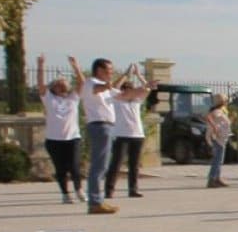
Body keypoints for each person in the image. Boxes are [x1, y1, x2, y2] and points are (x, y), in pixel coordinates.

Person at [79, 57, 152, 214]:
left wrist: (145, 87)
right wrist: (108, 85)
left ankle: (97, 201)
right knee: (99, 166)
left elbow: (124, 95)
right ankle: (95, 202)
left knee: (102, 165)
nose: (111, 73)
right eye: (109, 70)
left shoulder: (106, 88)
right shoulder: (90, 83)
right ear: (99, 70)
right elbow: (97, 89)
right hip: (99, 126)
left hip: (106, 127)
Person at [37, 54, 85, 205]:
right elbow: (40, 84)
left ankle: (79, 190)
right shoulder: (49, 98)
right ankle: (65, 194)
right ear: (53, 87)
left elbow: (82, 83)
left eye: (64, 83)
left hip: (72, 138)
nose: (62, 85)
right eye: (59, 84)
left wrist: (75, 66)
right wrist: (40, 65)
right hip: (54, 140)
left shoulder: (73, 98)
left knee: (75, 167)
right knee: (61, 169)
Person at [105, 64, 149, 199]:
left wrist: (139, 75)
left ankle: (133, 189)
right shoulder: (116, 99)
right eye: (127, 90)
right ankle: (109, 190)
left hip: (137, 134)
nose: (130, 92)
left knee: (134, 164)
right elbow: (113, 87)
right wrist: (126, 75)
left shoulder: (137, 100)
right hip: (121, 135)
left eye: (132, 90)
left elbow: (147, 88)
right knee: (116, 163)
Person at [205, 93, 233, 189]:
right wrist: (214, 127)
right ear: (222, 102)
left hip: (221, 139)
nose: (227, 102)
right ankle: (212, 179)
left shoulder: (221, 111)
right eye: (226, 101)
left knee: (219, 160)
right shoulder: (217, 111)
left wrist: (231, 119)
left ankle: (217, 178)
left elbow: (223, 123)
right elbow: (208, 117)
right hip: (217, 139)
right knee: (217, 160)